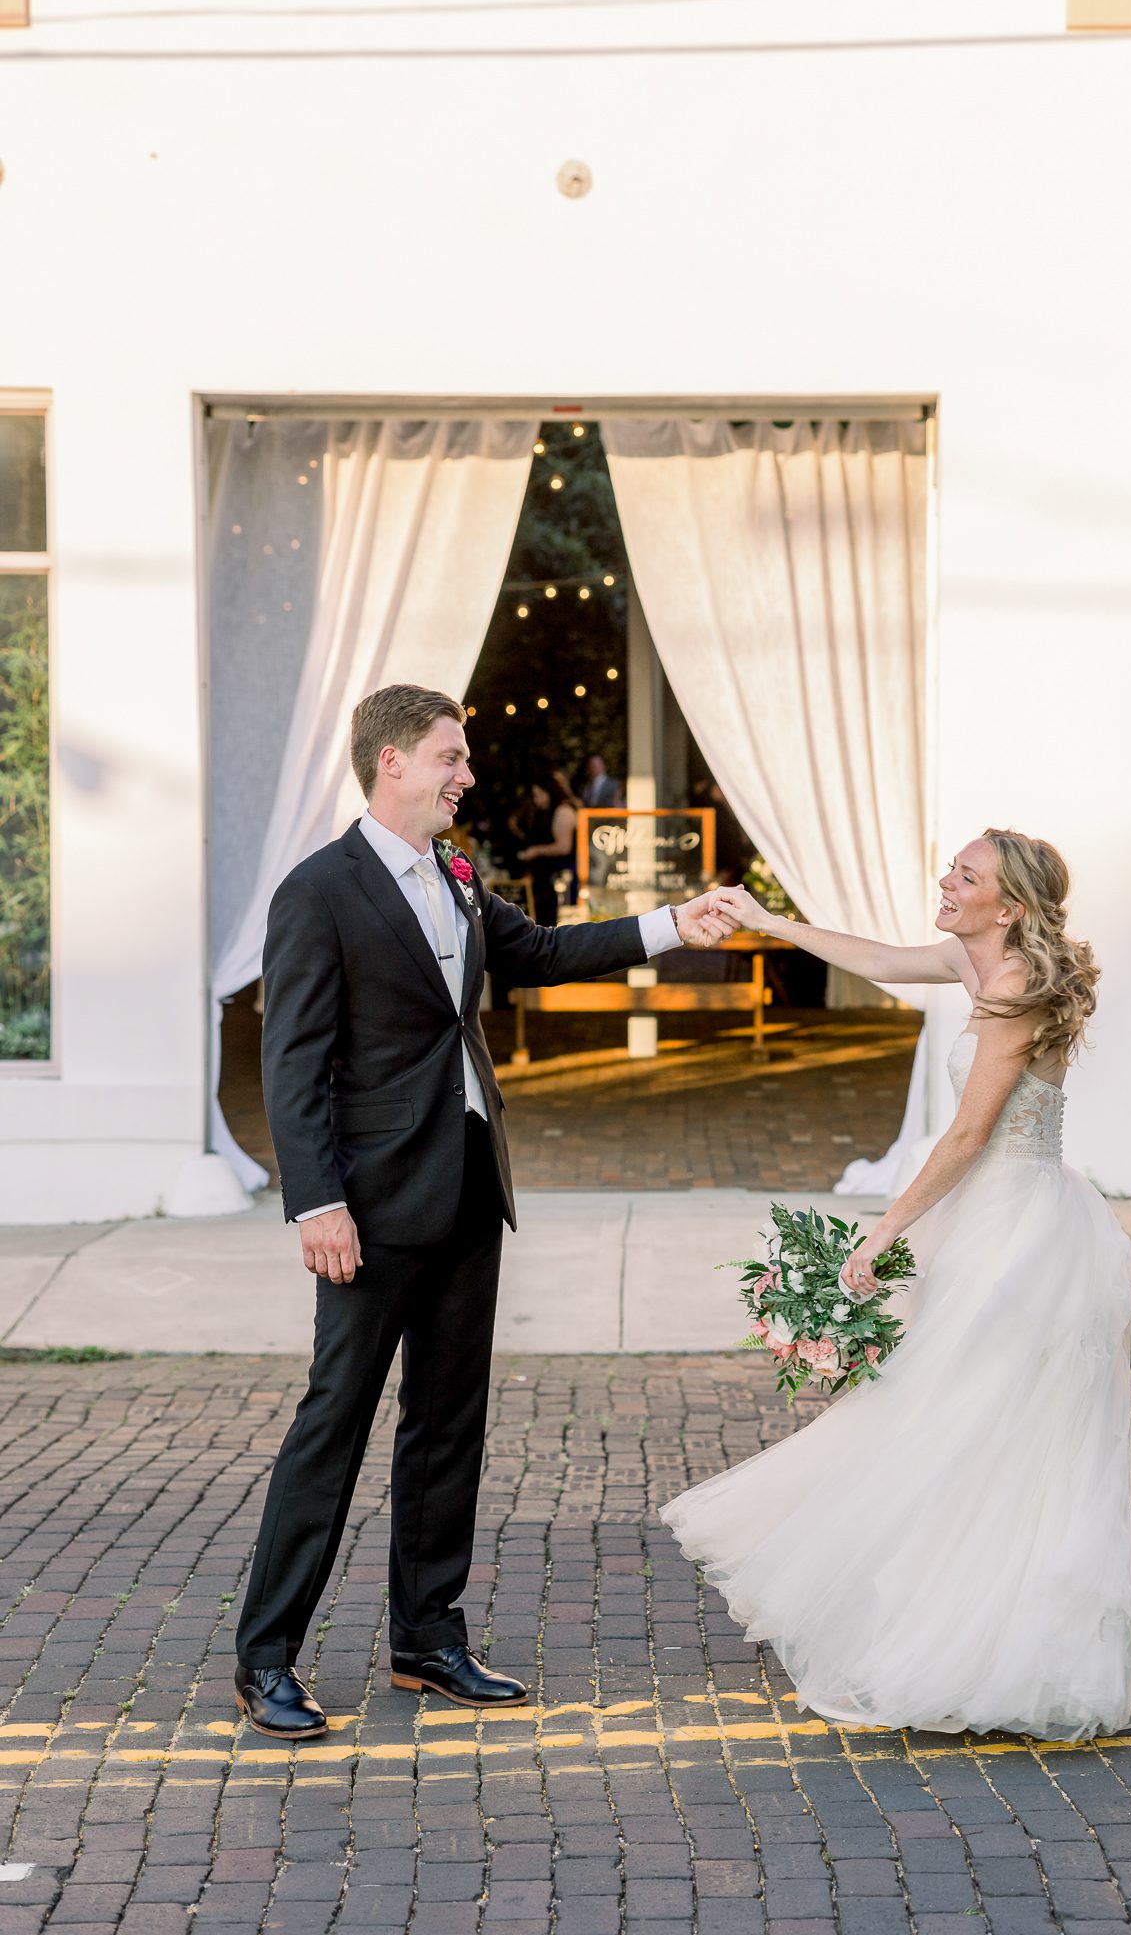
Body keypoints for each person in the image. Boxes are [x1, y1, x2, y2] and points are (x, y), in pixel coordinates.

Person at [234, 685, 730, 1740]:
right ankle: (265, 1655)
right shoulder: (317, 890)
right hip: (367, 1207)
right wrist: (315, 1199)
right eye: (451, 756)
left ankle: (427, 1638)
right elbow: (294, 1065)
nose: (467, 773)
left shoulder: (458, 876)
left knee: (448, 1422)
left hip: (466, 1185)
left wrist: (670, 923)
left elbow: (542, 953)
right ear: (392, 763)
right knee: (334, 1424)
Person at [662, 829, 1131, 1741]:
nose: (945, 883)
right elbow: (873, 956)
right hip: (988, 1223)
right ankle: (955, 1607)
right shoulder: (973, 957)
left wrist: (879, 1233)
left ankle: (1002, 1637)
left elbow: (964, 1139)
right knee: (967, 1422)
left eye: (966, 876)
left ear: (1011, 906)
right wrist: (767, 920)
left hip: (1017, 1237)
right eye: (951, 869)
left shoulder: (1016, 989)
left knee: (973, 1424)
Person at [512, 767, 580, 923]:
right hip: (547, 879)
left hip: (561, 879)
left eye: (538, 795)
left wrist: (535, 851)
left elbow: (564, 847)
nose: (537, 800)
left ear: (549, 791)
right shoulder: (548, 811)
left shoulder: (564, 810)